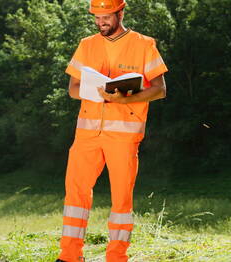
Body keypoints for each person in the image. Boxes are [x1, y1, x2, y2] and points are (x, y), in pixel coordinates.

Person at [57, 0, 167, 261]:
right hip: (86, 135)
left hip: (124, 137)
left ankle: (117, 257)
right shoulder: (87, 45)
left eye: (106, 17)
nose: (100, 22)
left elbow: (160, 89)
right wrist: (94, 93)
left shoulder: (143, 44)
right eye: (96, 17)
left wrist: (124, 99)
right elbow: (73, 88)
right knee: (75, 195)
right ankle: (70, 256)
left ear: (120, 13)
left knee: (121, 201)